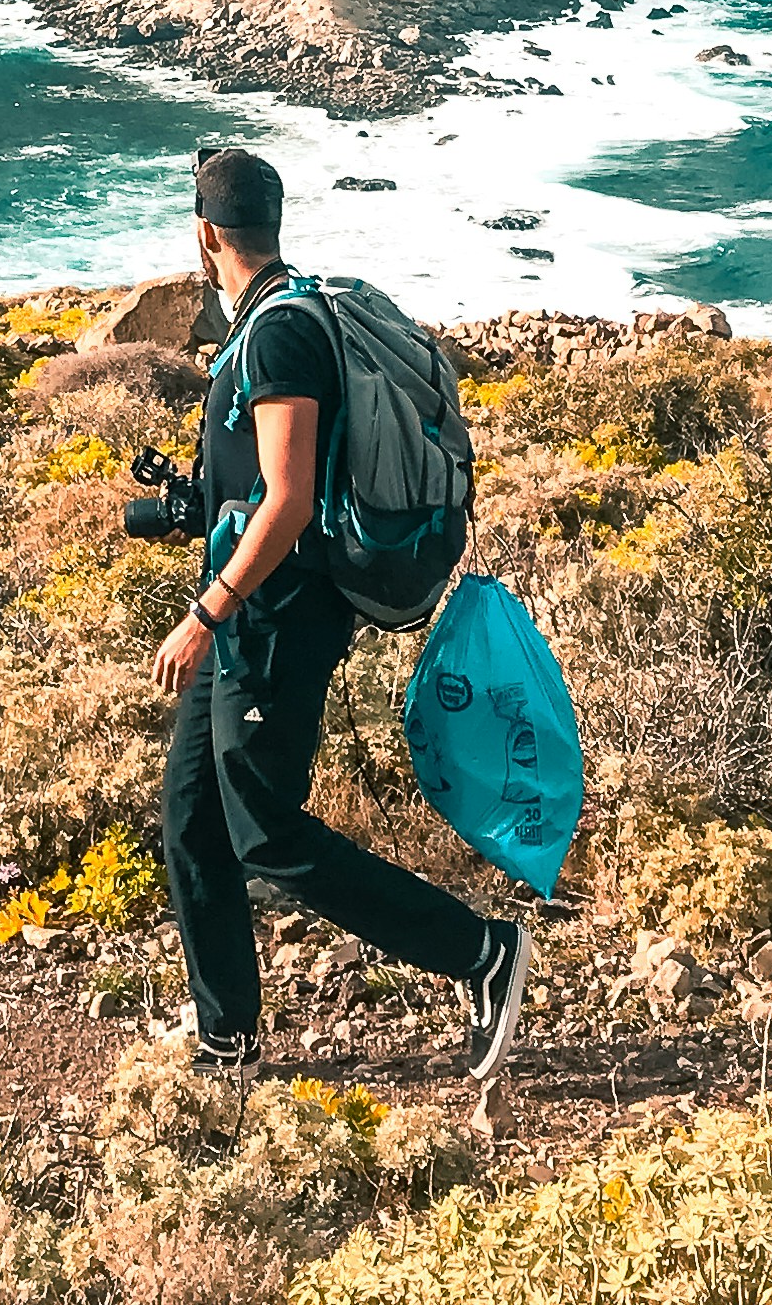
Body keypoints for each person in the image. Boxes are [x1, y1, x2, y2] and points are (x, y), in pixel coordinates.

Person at [149, 142, 531, 1082]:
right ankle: (225, 1034)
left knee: (265, 830)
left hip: (276, 619)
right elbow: (263, 487)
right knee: (192, 815)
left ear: (206, 237)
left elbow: (285, 501)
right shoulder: (283, 315)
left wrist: (205, 612)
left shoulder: (278, 335)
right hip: (252, 614)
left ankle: (480, 952)